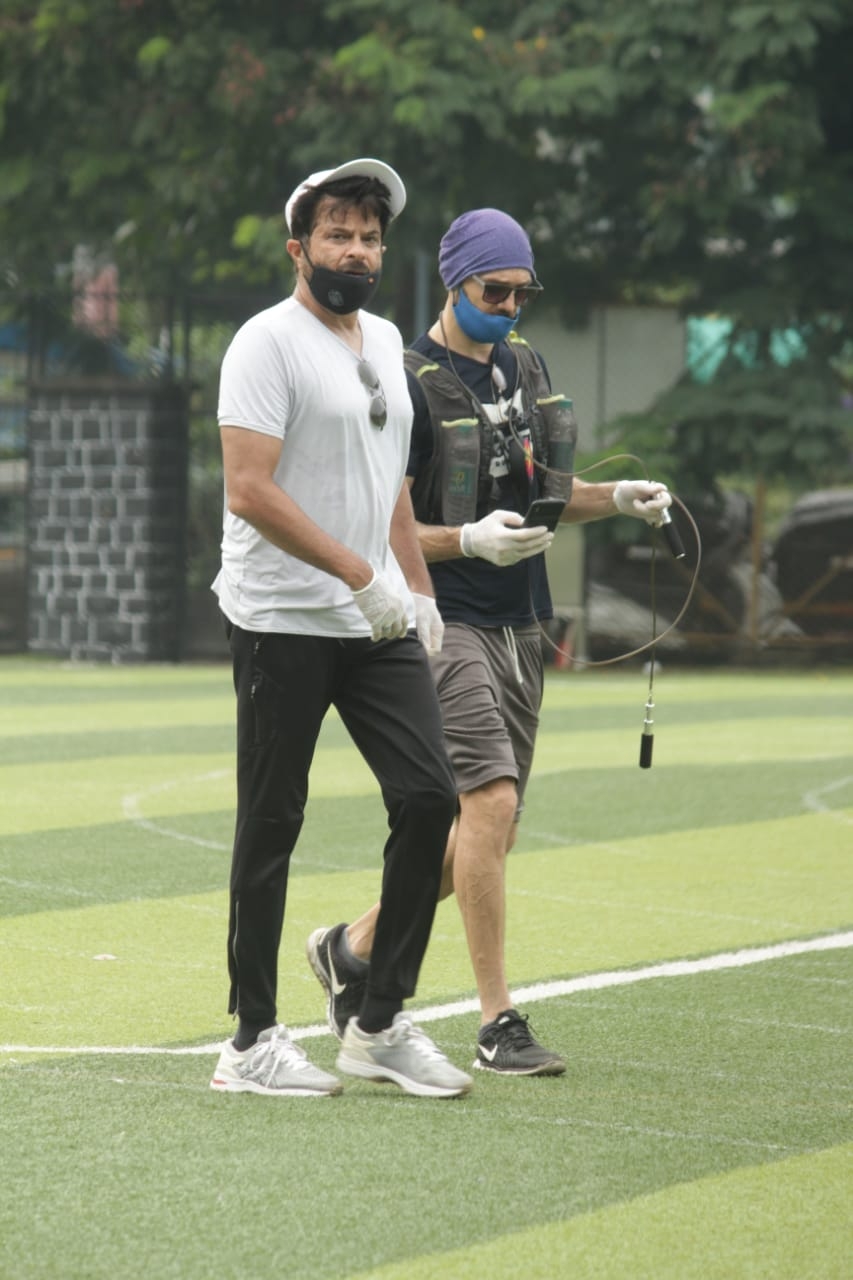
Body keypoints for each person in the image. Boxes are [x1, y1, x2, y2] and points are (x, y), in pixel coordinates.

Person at [307, 208, 673, 1076]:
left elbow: (550, 492)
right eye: (492, 291)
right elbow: (377, 523)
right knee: (492, 803)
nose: (508, 307)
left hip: (522, 618)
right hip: (444, 616)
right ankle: (494, 1018)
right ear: (453, 282)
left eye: (520, 293)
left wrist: (616, 498)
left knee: (487, 827)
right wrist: (465, 541)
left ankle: (350, 948)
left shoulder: (527, 366)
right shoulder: (402, 380)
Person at [209, 159, 472, 1099]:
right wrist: (361, 576)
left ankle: (377, 1020)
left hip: (377, 621)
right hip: (283, 616)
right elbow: (249, 489)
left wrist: (416, 587)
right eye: (338, 235)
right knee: (272, 820)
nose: (355, 250)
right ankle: (249, 1043)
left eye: (368, 236)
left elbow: (391, 485)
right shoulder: (264, 344)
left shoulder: (388, 342)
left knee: (431, 798)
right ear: (299, 248)